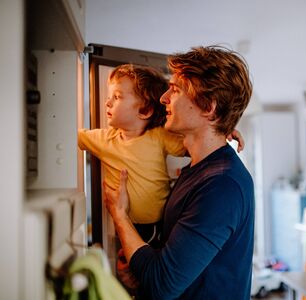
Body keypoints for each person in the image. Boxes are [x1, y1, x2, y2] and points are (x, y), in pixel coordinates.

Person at [103, 46, 255, 299]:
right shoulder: (198, 169)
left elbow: (163, 284)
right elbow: (175, 265)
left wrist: (119, 216)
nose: (163, 98)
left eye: (175, 90)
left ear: (208, 107)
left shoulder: (222, 185)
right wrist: (139, 272)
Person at [79, 64, 244, 244]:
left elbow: (200, 143)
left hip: (160, 223)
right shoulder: (103, 140)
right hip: (127, 225)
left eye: (117, 97)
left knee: (148, 266)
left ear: (145, 110)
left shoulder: (159, 137)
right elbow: (69, 137)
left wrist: (223, 131)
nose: (107, 102)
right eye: (109, 96)